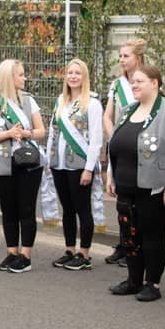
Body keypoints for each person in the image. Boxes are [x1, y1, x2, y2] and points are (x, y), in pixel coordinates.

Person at [106, 66, 165, 301]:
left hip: (154, 187)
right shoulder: (128, 110)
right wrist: (111, 175)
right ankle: (134, 280)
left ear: (155, 83)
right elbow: (115, 145)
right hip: (126, 186)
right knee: (129, 235)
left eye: (139, 81)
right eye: (133, 81)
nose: (134, 85)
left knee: (151, 236)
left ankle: (153, 283)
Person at [0, 58, 46, 272]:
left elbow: (41, 131)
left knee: (26, 207)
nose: (25, 78)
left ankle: (25, 256)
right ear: (9, 77)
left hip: (28, 161)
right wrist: (8, 133)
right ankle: (11, 252)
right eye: (21, 74)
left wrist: (25, 133)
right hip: (1, 162)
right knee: (8, 208)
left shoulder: (29, 101)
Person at [45, 58, 103, 271]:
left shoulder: (92, 103)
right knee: (67, 209)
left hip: (79, 164)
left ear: (84, 76)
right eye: (70, 72)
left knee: (82, 209)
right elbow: (52, 131)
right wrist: (48, 159)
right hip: (59, 163)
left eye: (77, 73)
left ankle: (84, 253)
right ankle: (69, 249)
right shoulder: (61, 100)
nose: (73, 76)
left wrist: (89, 168)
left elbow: (96, 140)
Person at [102, 38, 147, 267]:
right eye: (120, 56)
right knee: (122, 199)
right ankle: (124, 244)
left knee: (139, 200)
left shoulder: (147, 81)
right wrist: (115, 137)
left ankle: (137, 246)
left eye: (126, 56)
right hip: (121, 146)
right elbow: (108, 116)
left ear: (137, 58)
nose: (121, 60)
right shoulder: (117, 85)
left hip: (141, 147)